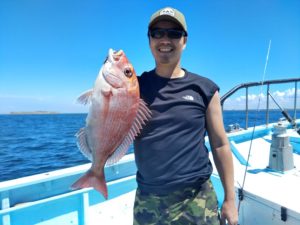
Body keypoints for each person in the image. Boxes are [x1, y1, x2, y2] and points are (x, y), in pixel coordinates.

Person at [133, 6, 238, 225]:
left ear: (185, 41)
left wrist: (230, 198)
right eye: (157, 33)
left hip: (197, 197)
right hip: (148, 199)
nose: (165, 39)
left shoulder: (205, 88)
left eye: (173, 33)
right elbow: (109, 120)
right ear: (149, 39)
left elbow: (220, 145)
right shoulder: (134, 88)